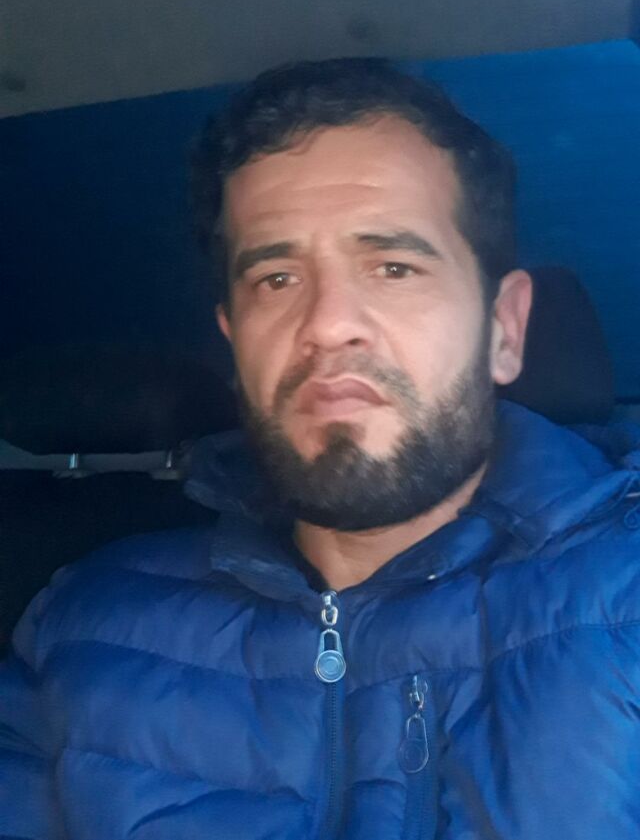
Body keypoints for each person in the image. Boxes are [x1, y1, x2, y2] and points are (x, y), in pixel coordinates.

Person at [1, 58, 640, 840]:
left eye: (393, 266)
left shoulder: (622, 594)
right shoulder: (81, 632)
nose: (328, 323)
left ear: (503, 330)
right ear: (235, 341)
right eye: (276, 278)